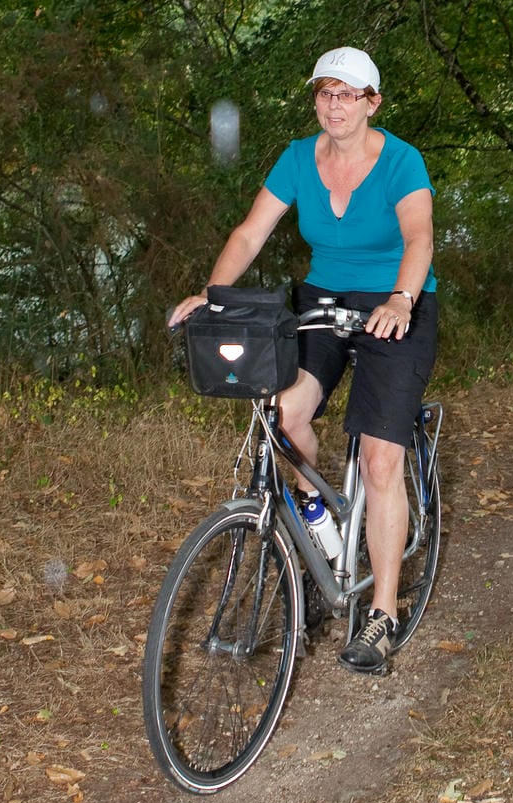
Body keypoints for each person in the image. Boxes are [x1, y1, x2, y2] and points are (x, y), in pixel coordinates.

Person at [169, 45, 437, 674]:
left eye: (347, 94)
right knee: (283, 416)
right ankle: (317, 521)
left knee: (380, 457)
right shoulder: (298, 158)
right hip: (322, 302)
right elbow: (249, 232)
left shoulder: (401, 161)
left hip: (396, 303)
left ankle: (383, 612)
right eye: (324, 92)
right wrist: (213, 297)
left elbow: (420, 236)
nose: (333, 104)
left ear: (372, 103)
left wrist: (401, 299)